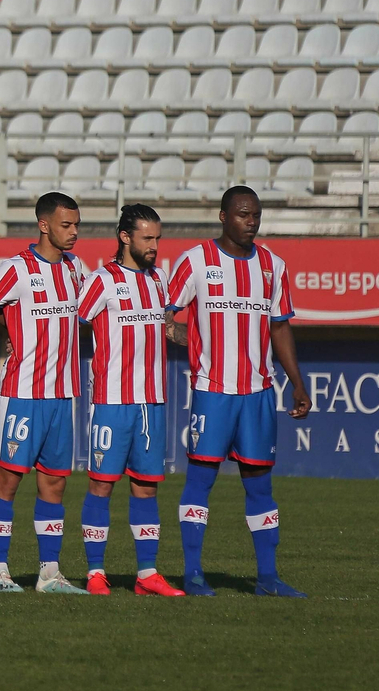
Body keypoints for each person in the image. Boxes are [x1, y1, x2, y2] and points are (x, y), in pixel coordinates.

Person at [165, 186, 312, 598]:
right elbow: (164, 311)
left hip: (258, 393)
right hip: (213, 391)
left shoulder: (273, 265)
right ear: (223, 216)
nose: (252, 222)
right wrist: (183, 337)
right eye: (244, 214)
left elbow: (280, 326)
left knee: (260, 485)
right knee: (200, 480)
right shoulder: (195, 261)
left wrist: (297, 383)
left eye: (256, 215)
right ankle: (193, 573)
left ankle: (268, 577)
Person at [0, 192, 89, 595]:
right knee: (7, 484)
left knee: (54, 485)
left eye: (77, 225)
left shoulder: (76, 269)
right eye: (66, 225)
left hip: (62, 396)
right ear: (44, 225)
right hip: (22, 395)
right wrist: (9, 323)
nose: (74, 233)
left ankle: (50, 575)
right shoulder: (16, 269)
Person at [74, 203, 185, 597]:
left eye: (158, 238)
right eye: (147, 238)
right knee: (101, 486)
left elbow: (169, 329)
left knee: (146, 487)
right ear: (125, 237)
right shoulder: (102, 280)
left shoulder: (160, 280)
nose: (155, 246)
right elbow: (74, 323)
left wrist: (208, 338)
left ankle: (147, 575)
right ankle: (95, 573)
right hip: (111, 401)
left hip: (152, 402)